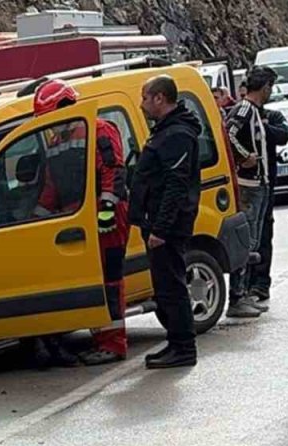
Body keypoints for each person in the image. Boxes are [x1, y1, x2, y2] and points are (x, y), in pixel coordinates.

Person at [32, 79, 132, 365]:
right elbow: (52, 187)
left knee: (110, 281)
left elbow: (113, 171)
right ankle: (101, 338)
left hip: (106, 219)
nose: (50, 122)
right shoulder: (56, 140)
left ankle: (114, 344)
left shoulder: (99, 129)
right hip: (79, 220)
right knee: (93, 281)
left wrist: (107, 212)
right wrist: (36, 219)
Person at [129, 75, 202, 369]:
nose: (142, 104)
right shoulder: (166, 131)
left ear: (160, 98)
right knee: (165, 287)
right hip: (159, 223)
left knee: (172, 287)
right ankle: (175, 342)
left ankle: (184, 348)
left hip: (168, 227)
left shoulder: (177, 135)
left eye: (145, 97)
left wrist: (160, 228)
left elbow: (176, 184)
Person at [224, 66, 277, 319]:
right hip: (250, 186)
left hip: (260, 184)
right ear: (264, 86)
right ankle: (237, 296)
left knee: (253, 242)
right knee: (246, 243)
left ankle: (242, 294)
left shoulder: (254, 111)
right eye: (270, 87)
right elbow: (228, 133)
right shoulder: (245, 109)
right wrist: (244, 157)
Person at [248, 104, 288, 311]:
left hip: (268, 182)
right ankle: (246, 285)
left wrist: (263, 127)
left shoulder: (272, 115)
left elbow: (284, 135)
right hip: (248, 184)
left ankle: (261, 284)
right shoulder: (242, 114)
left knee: (265, 232)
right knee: (251, 235)